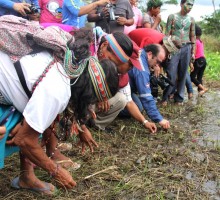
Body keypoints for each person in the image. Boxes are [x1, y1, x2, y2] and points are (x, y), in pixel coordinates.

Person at [0, 26, 120, 194]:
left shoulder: (70, 61)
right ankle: (26, 176)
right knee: (26, 131)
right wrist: (55, 171)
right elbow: (24, 140)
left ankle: (26, 177)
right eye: (92, 100)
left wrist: (81, 129)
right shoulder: (58, 89)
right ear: (86, 93)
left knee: (37, 123)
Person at [161, 0, 195, 105]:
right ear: (181, 4)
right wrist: (166, 50)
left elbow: (192, 37)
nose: (190, 7)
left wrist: (193, 53)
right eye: (188, 4)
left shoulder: (191, 19)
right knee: (171, 73)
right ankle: (165, 97)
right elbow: (166, 35)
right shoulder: (172, 17)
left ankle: (179, 98)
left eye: (192, 5)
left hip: (187, 47)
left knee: (183, 73)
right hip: (173, 47)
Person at [190, 24, 208, 96]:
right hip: (203, 60)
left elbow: (194, 53)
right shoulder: (200, 41)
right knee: (199, 77)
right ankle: (201, 92)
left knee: (192, 77)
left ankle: (203, 88)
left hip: (198, 61)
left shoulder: (195, 42)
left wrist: (191, 62)